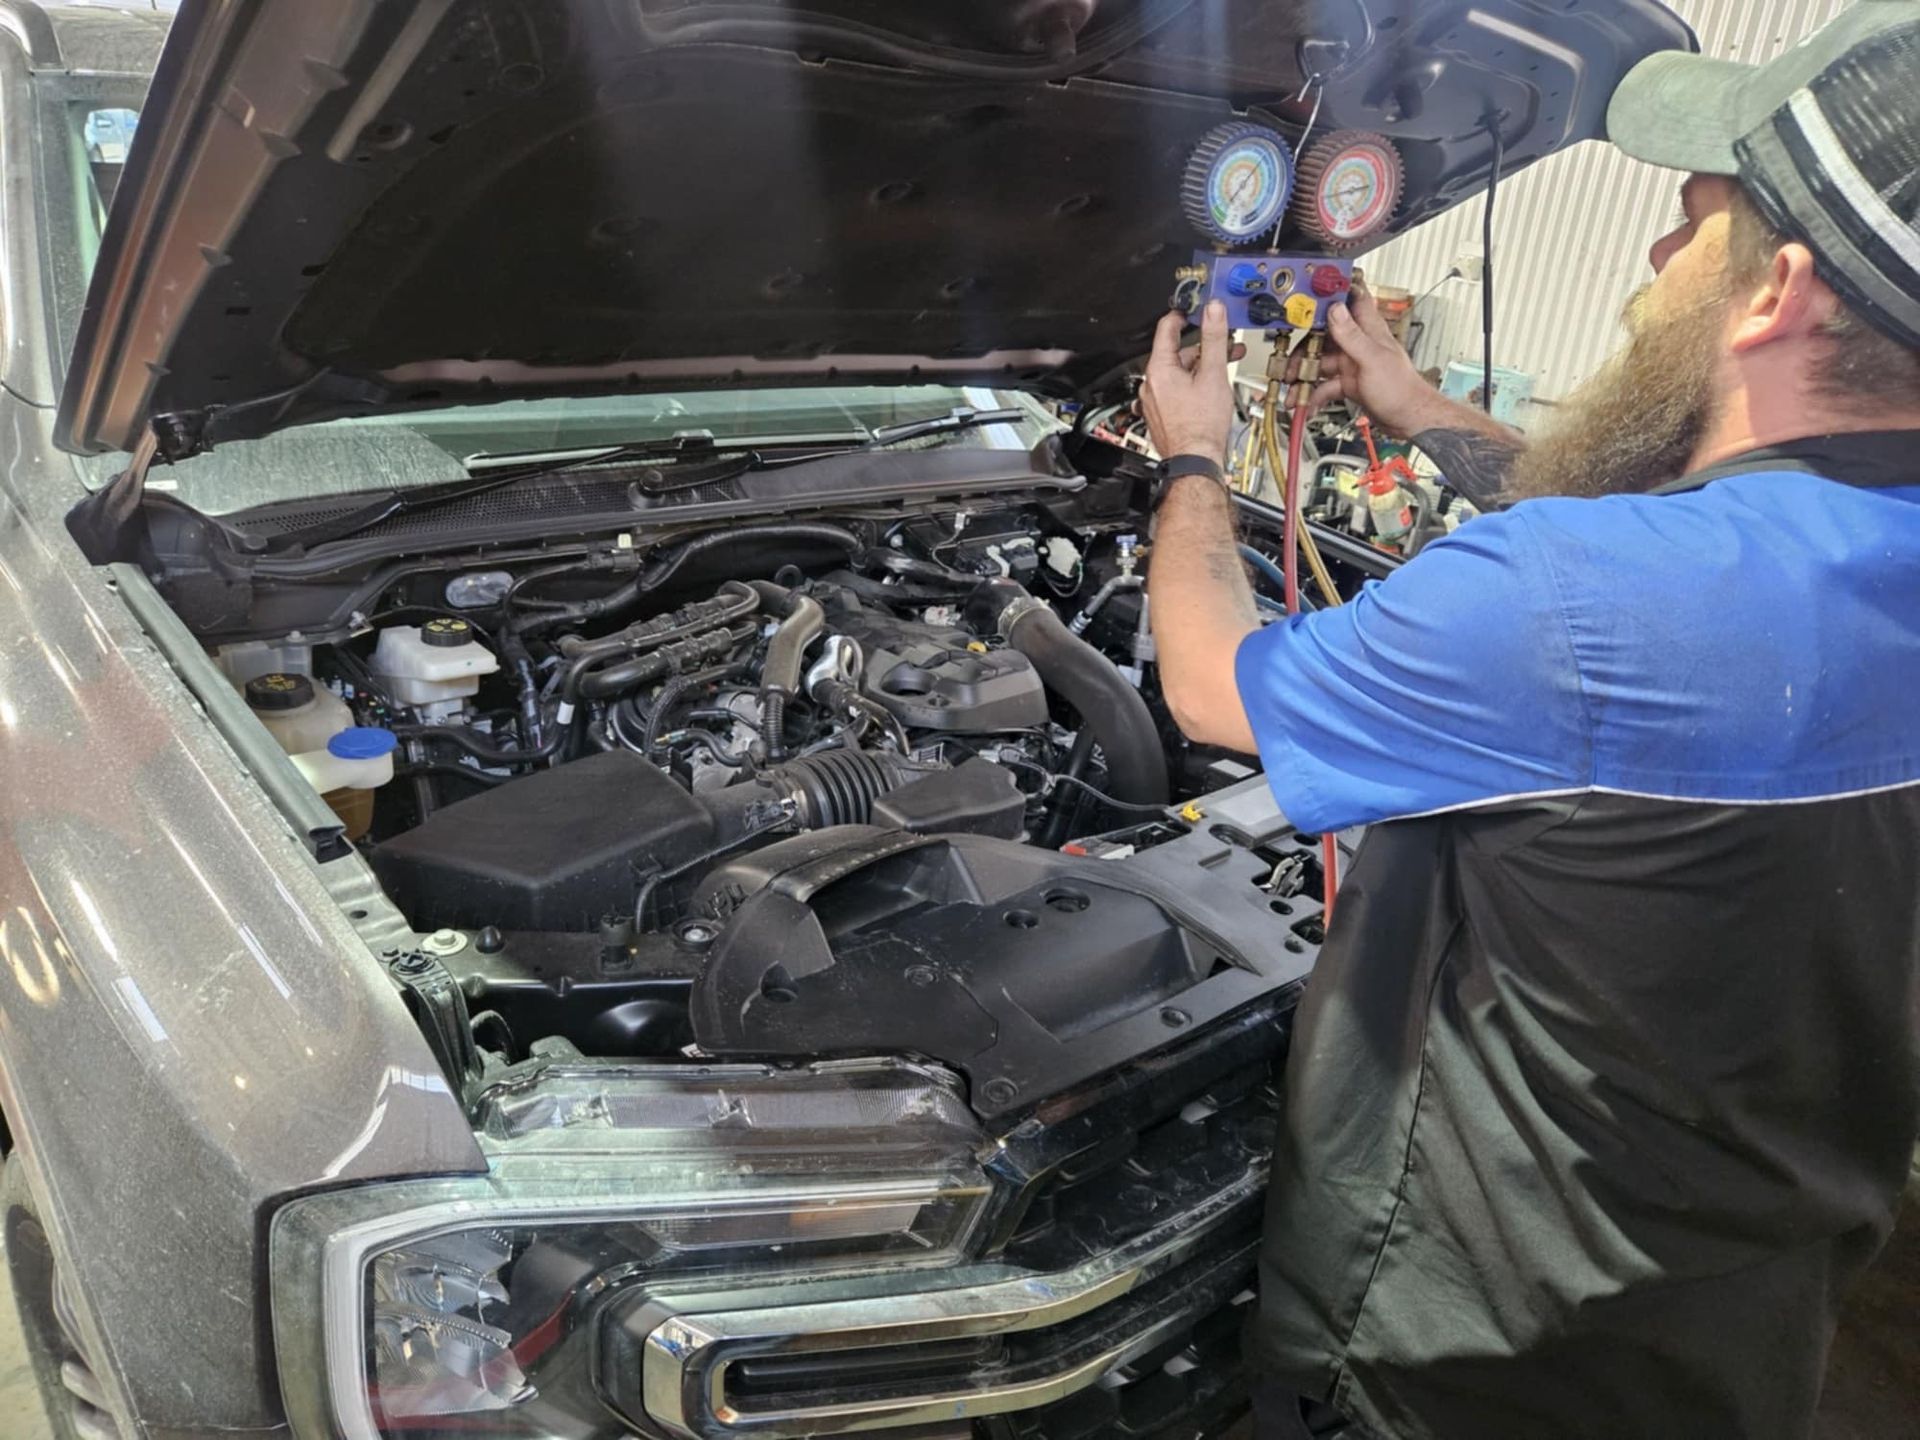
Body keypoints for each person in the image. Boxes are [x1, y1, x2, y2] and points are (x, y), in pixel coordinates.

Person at [1138, 6, 1920, 1438]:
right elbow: (1682, 558)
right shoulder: (1686, 573)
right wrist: (1415, 400)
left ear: (1775, 292)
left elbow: (1205, 681)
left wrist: (1189, 461)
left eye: (1695, 227)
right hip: (1750, 1308)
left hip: (1469, 1353)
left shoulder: (1560, 601)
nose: (1655, 256)